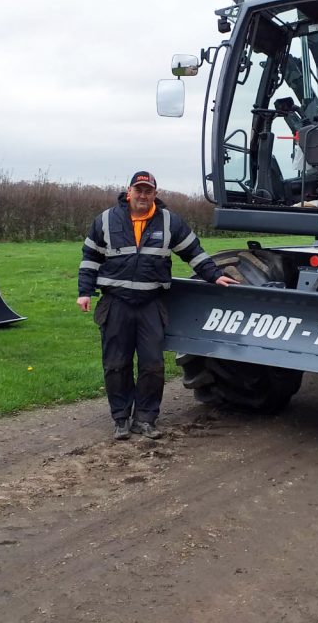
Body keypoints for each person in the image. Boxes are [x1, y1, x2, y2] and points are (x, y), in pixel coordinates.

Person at [77, 171, 238, 441]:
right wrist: (84, 292)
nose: (142, 195)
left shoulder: (169, 222)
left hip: (151, 304)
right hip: (116, 304)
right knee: (116, 364)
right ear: (129, 192)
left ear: (155, 193)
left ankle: (146, 419)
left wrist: (213, 274)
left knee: (153, 365)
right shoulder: (105, 220)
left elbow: (193, 251)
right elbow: (90, 257)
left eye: (147, 191)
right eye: (138, 190)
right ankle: (120, 419)